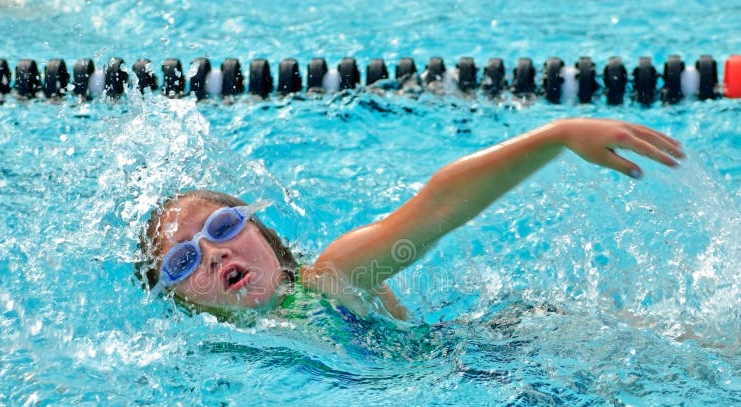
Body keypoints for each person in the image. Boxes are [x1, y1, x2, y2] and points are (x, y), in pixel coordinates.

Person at [137, 118, 683, 322]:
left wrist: (558, 136)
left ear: (264, 234)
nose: (214, 252)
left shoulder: (330, 278)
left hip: (502, 360)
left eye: (225, 227)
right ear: (184, 301)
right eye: (184, 261)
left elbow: (438, 208)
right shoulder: (215, 348)